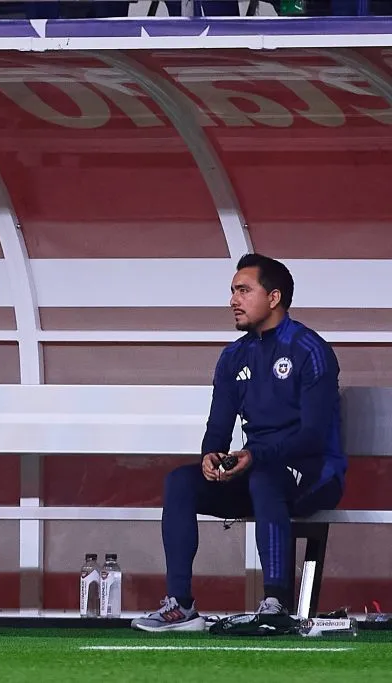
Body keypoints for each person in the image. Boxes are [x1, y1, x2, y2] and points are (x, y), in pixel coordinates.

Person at [132, 254, 345, 632]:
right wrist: (210, 458)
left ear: (274, 297)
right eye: (233, 291)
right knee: (180, 482)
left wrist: (254, 455)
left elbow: (312, 435)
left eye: (244, 290)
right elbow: (217, 428)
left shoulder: (310, 350)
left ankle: (275, 606)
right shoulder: (233, 356)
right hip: (259, 470)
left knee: (265, 478)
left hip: (315, 475)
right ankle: (180, 607)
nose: (233, 299)